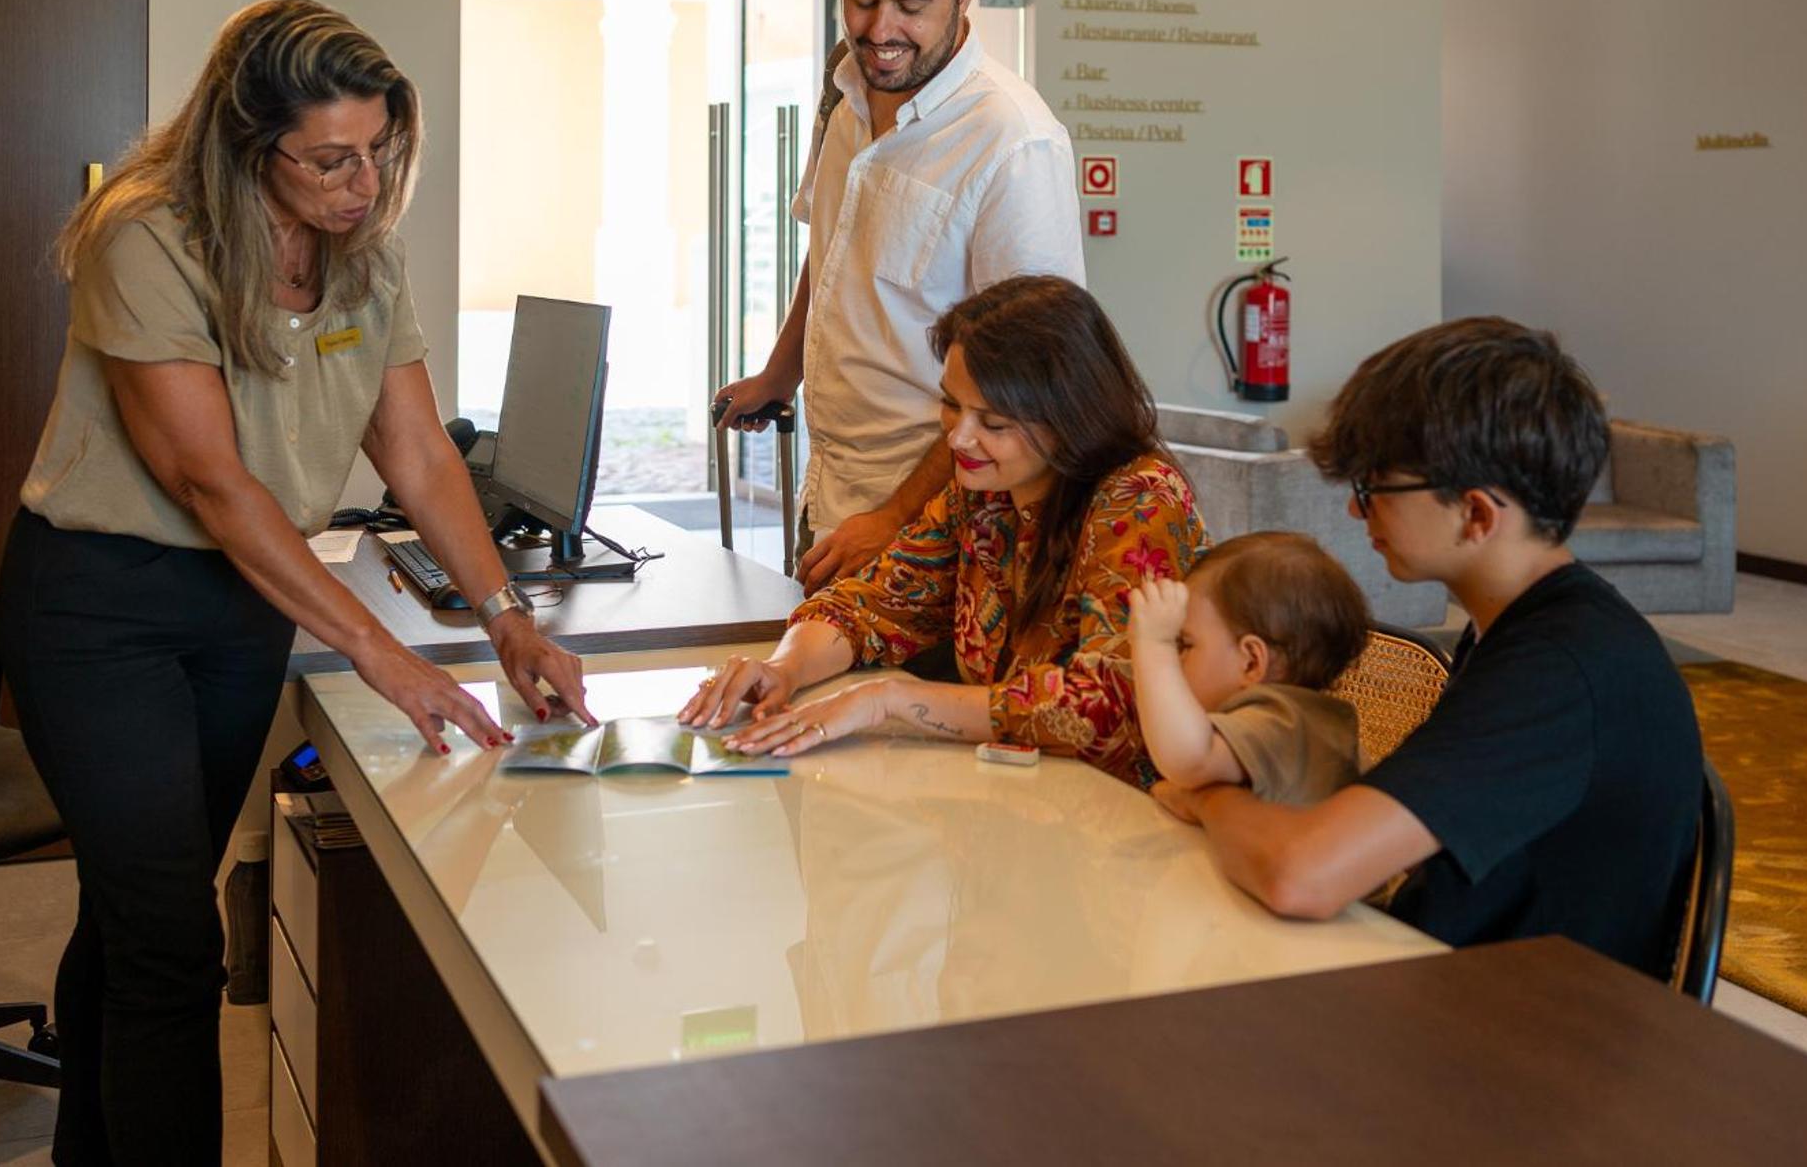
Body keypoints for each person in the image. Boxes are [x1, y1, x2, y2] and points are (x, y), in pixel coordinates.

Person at [0, 0, 591, 1164]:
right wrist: (380, 652)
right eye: (329, 159)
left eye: (377, 150)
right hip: (102, 608)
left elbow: (416, 452)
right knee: (173, 944)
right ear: (247, 142)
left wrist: (506, 617)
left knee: (135, 917)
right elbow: (209, 481)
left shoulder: (364, 256)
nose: (362, 184)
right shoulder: (145, 238)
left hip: (240, 607)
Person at [1152, 317, 1704, 980]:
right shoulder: (1518, 627)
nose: (1357, 511)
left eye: (1374, 488)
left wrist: (1210, 797)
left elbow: (1300, 874)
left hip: (1521, 1021)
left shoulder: (1562, 668)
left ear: (1477, 514)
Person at [679, 276, 1208, 787]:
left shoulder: (1139, 502)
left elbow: (1108, 708)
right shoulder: (983, 493)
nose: (958, 438)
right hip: (1017, 794)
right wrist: (784, 669)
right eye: (952, 404)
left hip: (1123, 812)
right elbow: (874, 602)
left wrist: (887, 701)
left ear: (1069, 418)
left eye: (993, 424)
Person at [713, 0, 1083, 594]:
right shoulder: (846, 90)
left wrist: (895, 516)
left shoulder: (1012, 140)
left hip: (935, 528)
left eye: (912, 6)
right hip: (829, 494)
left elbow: (1030, 377)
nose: (880, 31)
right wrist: (780, 374)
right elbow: (833, 248)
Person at [1127, 532, 1370, 806]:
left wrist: (1155, 644)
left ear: (1251, 663)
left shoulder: (1282, 722)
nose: (1176, 658)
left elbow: (1189, 761)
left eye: (1186, 644)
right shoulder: (1292, 719)